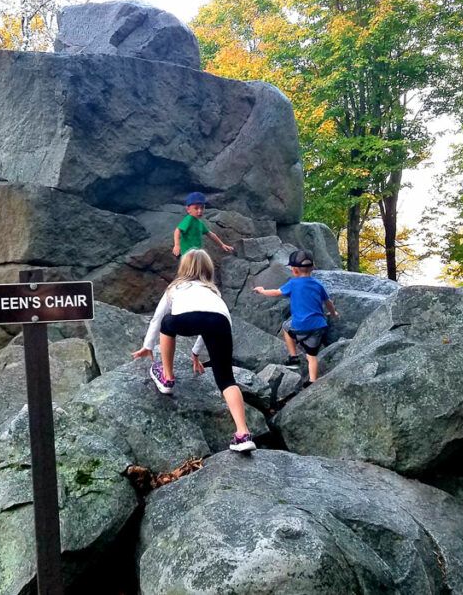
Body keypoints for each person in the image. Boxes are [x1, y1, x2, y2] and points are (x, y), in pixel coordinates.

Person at [132, 249, 256, 452]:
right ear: (208, 270)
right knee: (226, 380)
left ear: (183, 268)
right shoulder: (213, 291)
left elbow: (157, 317)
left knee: (167, 323)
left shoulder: (175, 287)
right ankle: (243, 435)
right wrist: (196, 352)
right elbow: (209, 323)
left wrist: (148, 345)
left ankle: (167, 377)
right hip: (221, 323)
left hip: (185, 319)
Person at [253, 249, 339, 383]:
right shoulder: (318, 284)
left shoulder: (293, 284)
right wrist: (333, 313)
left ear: (294, 270)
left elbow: (276, 293)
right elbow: (328, 302)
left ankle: (293, 356)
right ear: (313, 267)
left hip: (299, 326)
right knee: (312, 357)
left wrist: (262, 291)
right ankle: (312, 381)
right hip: (318, 326)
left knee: (286, 327)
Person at [172, 192, 235, 257]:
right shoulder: (189, 219)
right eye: (196, 208)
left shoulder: (200, 222)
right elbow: (177, 230)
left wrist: (222, 245)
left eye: (202, 208)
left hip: (196, 254)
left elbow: (210, 234)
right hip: (186, 254)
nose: (199, 211)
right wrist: (177, 245)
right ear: (188, 209)